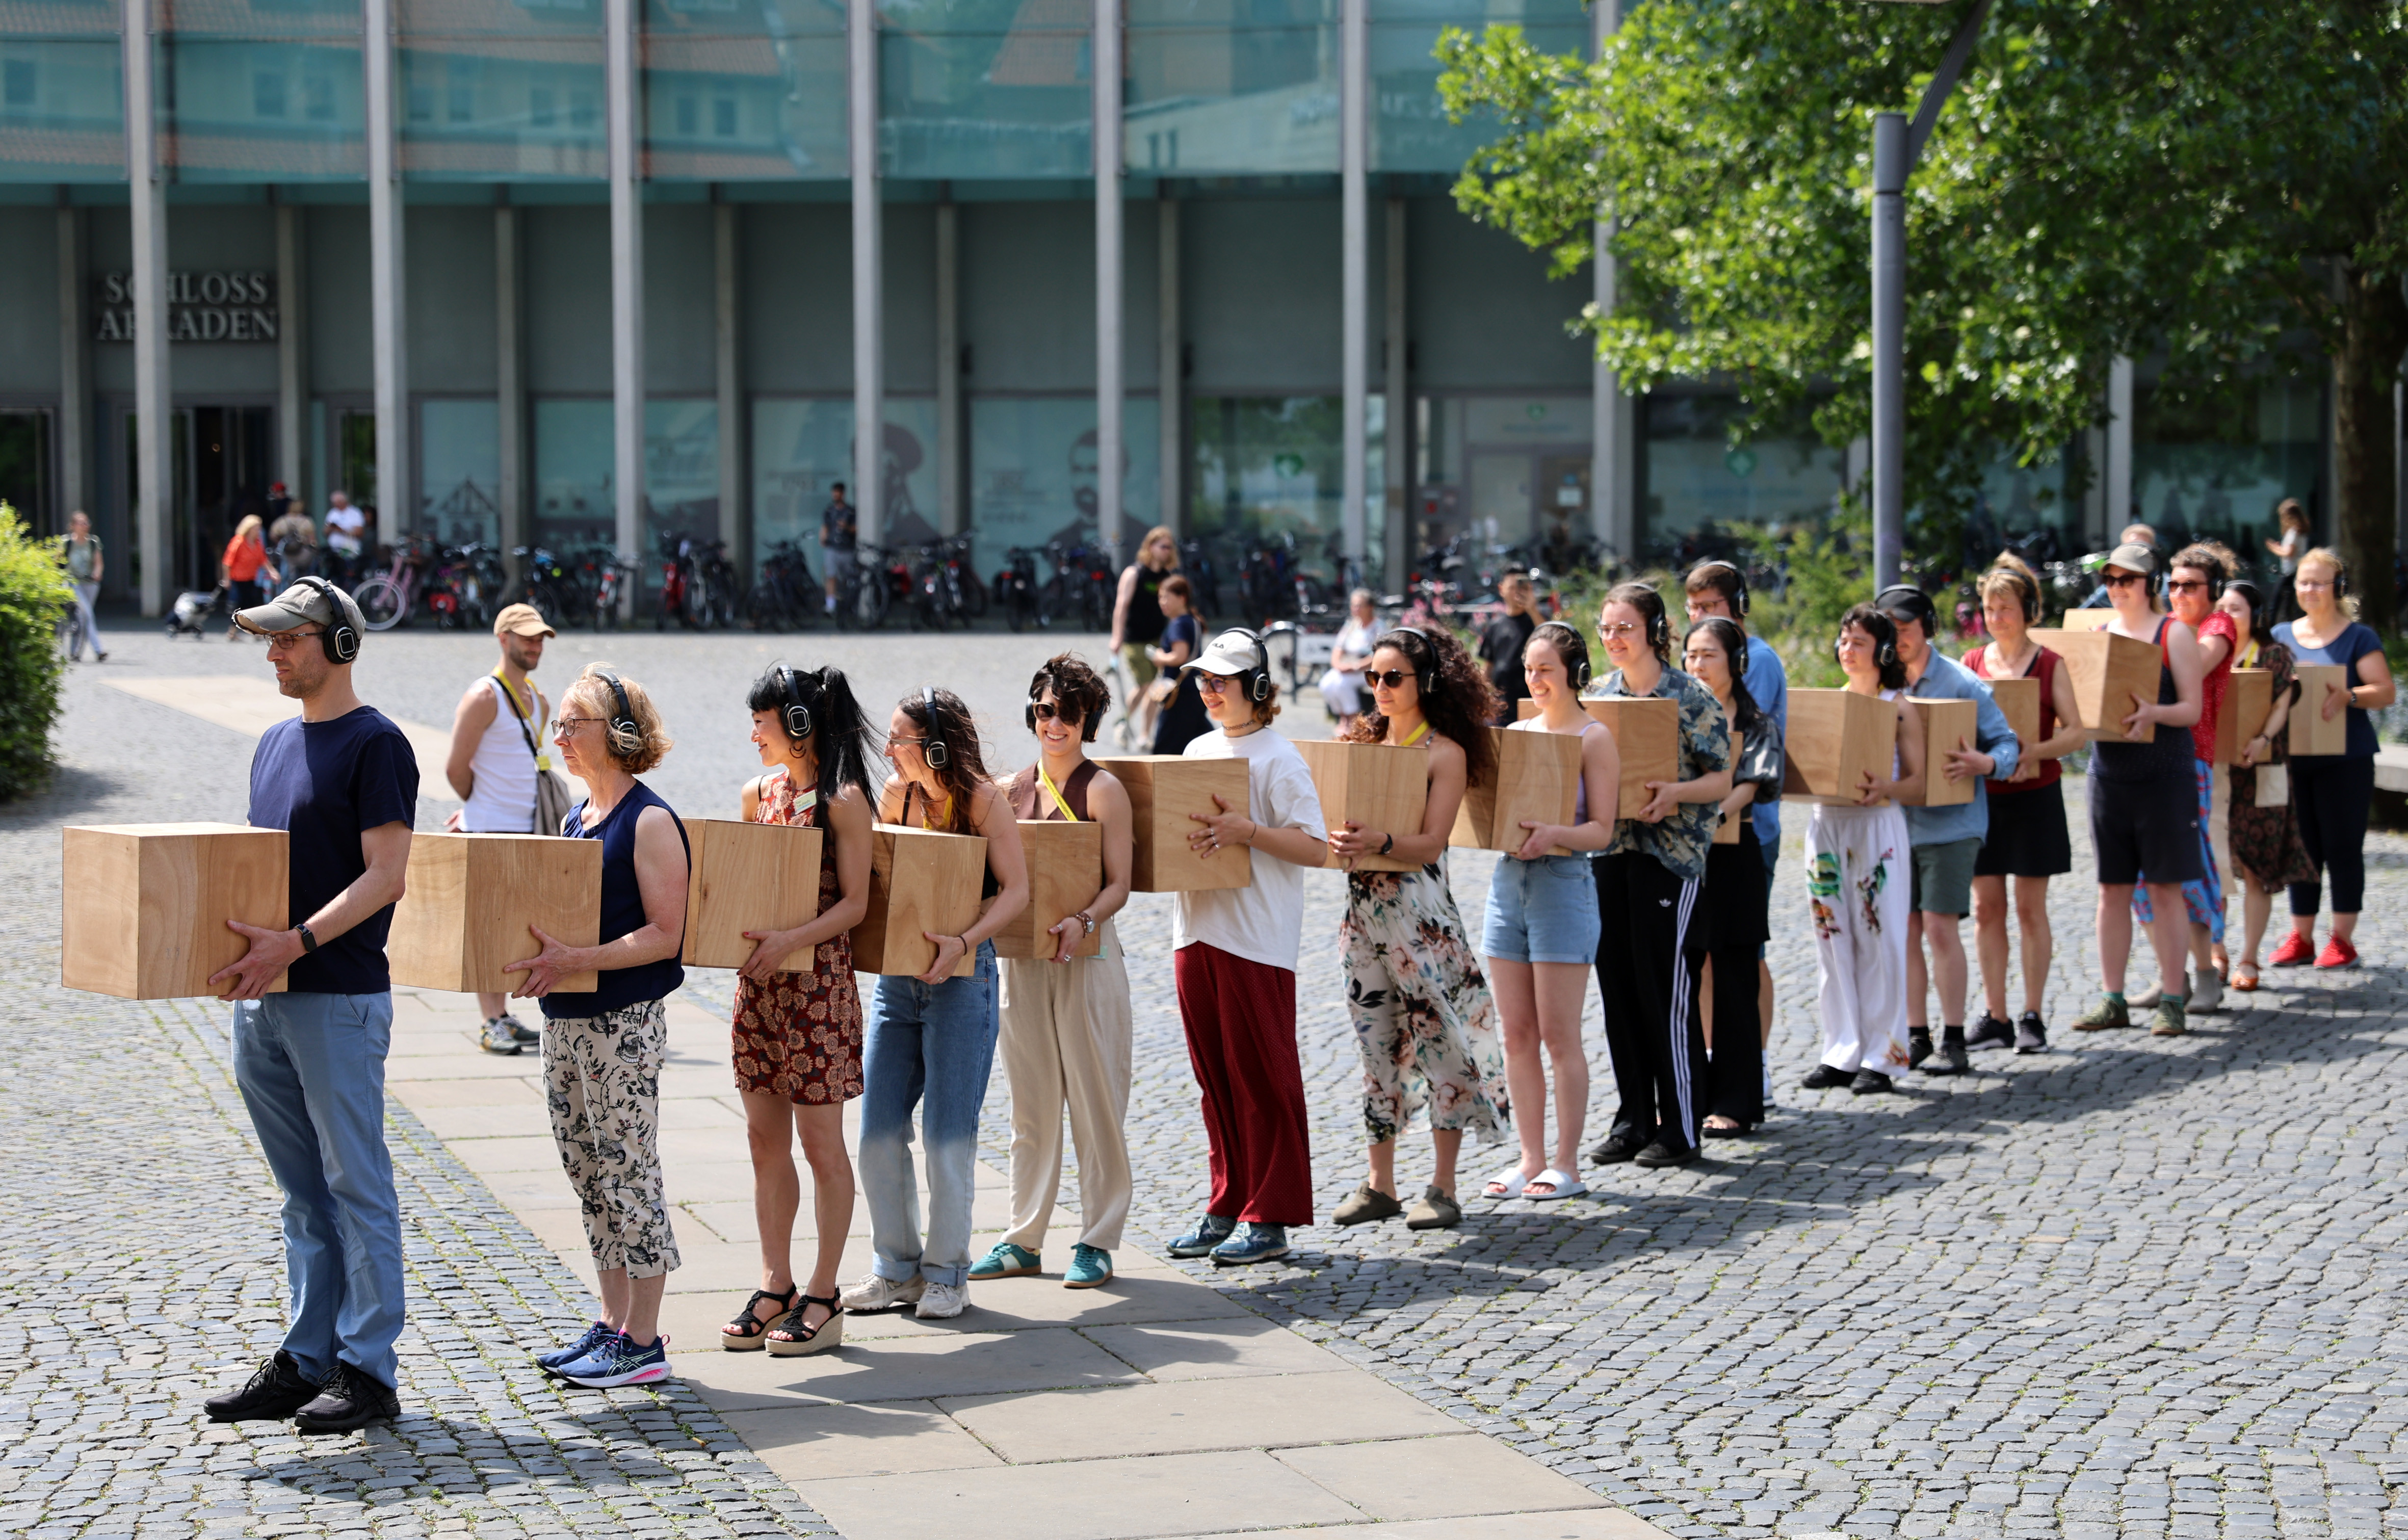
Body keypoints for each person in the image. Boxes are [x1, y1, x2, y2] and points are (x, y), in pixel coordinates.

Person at [202, 577, 416, 1434]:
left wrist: (295, 941)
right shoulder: (271, 743)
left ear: (341, 644)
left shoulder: (377, 744)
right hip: (264, 999)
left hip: (337, 997)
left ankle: (368, 1372)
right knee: (300, 1194)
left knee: (356, 1186)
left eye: (290, 638)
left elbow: (387, 876)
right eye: (271, 640)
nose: (275, 654)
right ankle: (305, 1359)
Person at [506, 665, 691, 1389]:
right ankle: (613, 1322)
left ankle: (643, 1341)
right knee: (587, 1172)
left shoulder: (649, 820)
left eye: (571, 724)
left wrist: (578, 959)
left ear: (617, 733)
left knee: (629, 1172)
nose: (559, 736)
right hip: (566, 1021)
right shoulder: (575, 817)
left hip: (623, 1024)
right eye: (557, 724)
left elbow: (667, 934)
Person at [842, 687, 1030, 1319]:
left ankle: (948, 1273)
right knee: (876, 1133)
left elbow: (1016, 891)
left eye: (900, 740)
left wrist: (965, 942)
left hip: (965, 981)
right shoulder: (895, 797)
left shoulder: (984, 801)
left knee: (948, 1139)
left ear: (938, 745)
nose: (889, 751)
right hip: (898, 983)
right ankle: (896, 1271)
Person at [719, 665, 878, 1357]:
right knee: (763, 1140)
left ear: (800, 726)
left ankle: (823, 1292)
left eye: (762, 722)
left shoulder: (844, 801)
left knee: (820, 1144)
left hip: (817, 989)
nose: (753, 734)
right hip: (761, 987)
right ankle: (774, 1282)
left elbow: (855, 904)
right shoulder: (757, 794)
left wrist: (791, 939)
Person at [1325, 626, 1506, 1230]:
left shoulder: (1443, 753)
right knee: (1374, 1045)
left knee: (1438, 1043)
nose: (1379, 687)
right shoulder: (1361, 743)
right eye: (1371, 677)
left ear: (1424, 682)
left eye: (1391, 677)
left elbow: (1431, 843)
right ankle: (1379, 1184)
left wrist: (1379, 841)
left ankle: (1443, 1186)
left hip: (1421, 920)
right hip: (1362, 916)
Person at [1165, 628, 1330, 1265]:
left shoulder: (1281, 757)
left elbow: (1314, 847)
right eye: (1203, 681)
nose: (1208, 691)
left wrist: (1250, 832)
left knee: (1262, 1078)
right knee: (1214, 1081)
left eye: (1220, 681)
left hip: (1256, 938)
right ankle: (1227, 1202)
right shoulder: (1197, 748)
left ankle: (1271, 1216)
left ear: (1256, 688)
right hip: (1194, 929)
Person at [972, 656, 1138, 1289]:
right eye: (1045, 710)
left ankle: (1097, 1238)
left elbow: (1119, 884)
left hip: (1088, 956)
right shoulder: (1010, 790)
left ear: (1087, 718)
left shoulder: (1103, 790)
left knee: (1096, 1100)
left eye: (1068, 712)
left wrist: (1083, 920)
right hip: (1023, 959)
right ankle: (1023, 1238)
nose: (1055, 723)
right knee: (1031, 1102)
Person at [1583, 583, 1732, 1167]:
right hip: (1608, 854)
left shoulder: (1689, 695)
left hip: (1669, 858)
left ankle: (1681, 1126)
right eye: (1606, 628)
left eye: (1624, 627)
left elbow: (1720, 778)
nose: (1613, 638)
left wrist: (1674, 793)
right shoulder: (1596, 695)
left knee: (1664, 992)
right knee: (1617, 989)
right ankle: (1633, 1120)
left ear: (1654, 631)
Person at [1480, 622, 1618, 1198]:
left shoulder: (1594, 737)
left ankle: (1567, 1164)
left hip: (1563, 885)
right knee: (1516, 1035)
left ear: (1575, 674)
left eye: (1545, 670)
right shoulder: (1518, 732)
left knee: (1560, 1036)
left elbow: (1602, 831)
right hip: (1508, 883)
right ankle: (1529, 1157)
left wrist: (1553, 834)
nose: (1534, 679)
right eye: (1529, 670)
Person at [1876, 583, 2020, 1076]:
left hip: (1951, 826)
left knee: (1940, 927)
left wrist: (1985, 762)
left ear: (1929, 629)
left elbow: (2007, 744)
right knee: (1906, 930)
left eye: (1905, 630)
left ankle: (1954, 1039)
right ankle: (1916, 1036)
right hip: (1897, 824)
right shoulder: (1881, 684)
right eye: (1889, 631)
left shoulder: (1961, 682)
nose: (1897, 640)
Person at [2070, 542, 2205, 1037]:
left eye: (2126, 579)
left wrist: (2153, 713)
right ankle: (2113, 998)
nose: (2116, 588)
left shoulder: (2174, 634)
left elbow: (2191, 709)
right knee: (2111, 891)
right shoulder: (2098, 634)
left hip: (2164, 777)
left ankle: (2172, 997)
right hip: (2108, 776)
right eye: (2109, 580)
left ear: (2150, 583)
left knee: (2165, 889)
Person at [1800, 605, 1926, 1093]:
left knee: (1881, 939)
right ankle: (1842, 1050)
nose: (1847, 650)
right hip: (1826, 825)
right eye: (1844, 640)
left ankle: (1885, 1054)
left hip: (1876, 826)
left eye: (1859, 642)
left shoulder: (1898, 705)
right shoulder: (1831, 704)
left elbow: (1919, 782)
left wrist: (1887, 787)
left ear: (1884, 652)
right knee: (1831, 937)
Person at [1963, 556, 2084, 1054]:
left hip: (2035, 797)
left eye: (2005, 608)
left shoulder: (2050, 663)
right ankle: (1996, 1015)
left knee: (2030, 909)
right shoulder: (1971, 662)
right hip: (1984, 799)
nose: (1996, 617)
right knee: (1985, 909)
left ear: (2027, 610)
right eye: (1989, 608)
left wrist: (2033, 751)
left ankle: (2032, 1015)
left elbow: (2076, 733)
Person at [1682, 560, 1786, 1088]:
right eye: (1693, 609)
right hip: (1690, 848)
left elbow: (1754, 773)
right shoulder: (1680, 709)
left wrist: (1711, 809)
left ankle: (1752, 1068)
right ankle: (1704, 1065)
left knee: (1741, 959)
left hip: (1745, 836)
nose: (1698, 662)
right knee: (1698, 961)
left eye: (1711, 607)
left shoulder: (1756, 671)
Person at [2269, 548, 2396, 969]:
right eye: (2303, 582)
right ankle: (2301, 937)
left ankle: (2342, 941)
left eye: (2319, 582)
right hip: (2293, 758)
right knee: (2301, 849)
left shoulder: (2359, 637)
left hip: (2346, 760)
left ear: (2338, 588)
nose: (2310, 590)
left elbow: (2385, 690)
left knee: (2342, 848)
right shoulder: (2281, 634)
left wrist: (2349, 696)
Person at [2129, 543, 2242, 1012]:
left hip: (2191, 760)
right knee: (2141, 876)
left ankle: (2205, 972)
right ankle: (2171, 974)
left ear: (2214, 590)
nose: (2178, 593)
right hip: (2142, 758)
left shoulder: (2219, 625)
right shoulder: (2163, 626)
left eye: (2190, 586)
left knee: (2185, 871)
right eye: (2172, 585)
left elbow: (2193, 663)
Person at [442, 603, 559, 1055]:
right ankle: (490, 1019)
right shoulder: (484, 696)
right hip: (490, 830)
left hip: (530, 828)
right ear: (503, 638)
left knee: (516, 927)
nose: (535, 645)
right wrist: (477, 806)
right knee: (488, 928)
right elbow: (456, 767)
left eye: (540, 638)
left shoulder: (539, 700)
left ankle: (504, 1013)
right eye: (527, 637)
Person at [2220, 581, 2316, 991]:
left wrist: (2261, 738)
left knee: (2258, 866)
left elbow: (2281, 705)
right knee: (2216, 862)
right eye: (2222, 608)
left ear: (2255, 615)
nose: (2227, 615)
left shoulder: (2274, 654)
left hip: (2263, 767)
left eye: (2236, 608)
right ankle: (2216, 952)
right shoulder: (2210, 651)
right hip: (2220, 770)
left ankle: (2249, 957)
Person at [1110, 526, 1180, 739]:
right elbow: (1121, 607)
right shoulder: (1134, 573)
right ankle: (1123, 722)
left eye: (1170, 547)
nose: (1167, 551)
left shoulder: (1167, 576)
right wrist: (1117, 638)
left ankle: (1144, 734)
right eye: (1163, 547)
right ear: (1151, 547)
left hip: (1158, 639)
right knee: (1146, 684)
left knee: (1155, 688)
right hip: (1135, 640)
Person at [1149, 575, 1213, 754]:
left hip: (1180, 696)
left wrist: (1160, 657)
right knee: (1203, 742)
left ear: (1182, 598)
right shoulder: (1191, 620)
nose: (1162, 602)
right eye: (1160, 597)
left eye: (1166, 597)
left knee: (1164, 751)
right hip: (1192, 691)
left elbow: (1180, 656)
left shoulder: (1179, 623)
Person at [1477, 573, 1540, 724]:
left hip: (1530, 704)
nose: (1517, 593)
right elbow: (1489, 666)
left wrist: (1532, 609)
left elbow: (1549, 637)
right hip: (1501, 707)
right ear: (1502, 589)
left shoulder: (1536, 621)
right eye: (1512, 588)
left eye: (1522, 588)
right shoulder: (1496, 625)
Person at [1321, 588, 1381, 729]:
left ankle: (1354, 721)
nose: (1356, 609)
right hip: (1347, 666)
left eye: (1359, 606)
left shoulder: (1379, 627)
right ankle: (1342, 717)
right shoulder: (1351, 624)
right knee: (1326, 684)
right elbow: (1339, 647)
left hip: (1366, 670)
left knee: (1342, 684)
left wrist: (1355, 667)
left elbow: (1377, 655)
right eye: (1354, 605)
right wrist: (1337, 664)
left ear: (1370, 607)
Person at [2078, 522, 2160, 608]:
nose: (2117, 587)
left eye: (2128, 580)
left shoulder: (2168, 586)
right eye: (2110, 579)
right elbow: (2081, 612)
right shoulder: (2109, 590)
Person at [59, 509, 106, 662]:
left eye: (87, 522)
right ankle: (98, 650)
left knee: (83, 618)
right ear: (73, 526)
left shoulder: (93, 542)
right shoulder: (66, 542)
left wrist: (97, 573)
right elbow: (56, 562)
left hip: (90, 584)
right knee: (87, 615)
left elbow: (99, 563)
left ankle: (75, 652)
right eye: (81, 523)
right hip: (73, 583)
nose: (85, 525)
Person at [222, 513, 282, 628]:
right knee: (238, 605)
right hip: (238, 579)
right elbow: (227, 562)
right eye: (256, 528)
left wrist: (273, 572)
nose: (259, 531)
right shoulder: (238, 541)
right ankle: (233, 630)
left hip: (251, 578)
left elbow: (263, 560)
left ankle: (252, 630)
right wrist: (226, 579)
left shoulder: (257, 543)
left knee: (251, 604)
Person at [2265, 499, 2309, 622]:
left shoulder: (2294, 532)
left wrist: (2274, 549)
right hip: (2294, 571)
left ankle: (2271, 625)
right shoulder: (2300, 531)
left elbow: (2289, 553)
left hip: (2290, 572)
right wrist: (2279, 548)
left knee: (2275, 603)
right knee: (2289, 604)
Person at [819, 482, 856, 613]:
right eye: (834, 493)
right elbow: (825, 526)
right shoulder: (829, 511)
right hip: (832, 548)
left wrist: (846, 527)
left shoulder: (850, 511)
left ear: (843, 494)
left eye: (838, 493)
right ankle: (830, 605)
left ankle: (848, 603)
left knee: (848, 578)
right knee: (831, 576)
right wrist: (822, 537)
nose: (835, 495)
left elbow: (856, 529)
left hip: (847, 548)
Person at [270, 498, 319, 590]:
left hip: (287, 555)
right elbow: (312, 540)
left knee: (286, 576)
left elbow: (273, 535)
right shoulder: (306, 521)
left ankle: (285, 592)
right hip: (303, 556)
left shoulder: (282, 520)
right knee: (307, 574)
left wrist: (280, 542)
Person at [323, 492, 365, 586]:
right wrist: (331, 528)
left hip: (349, 551)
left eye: (338, 502)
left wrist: (341, 530)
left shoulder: (355, 513)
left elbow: (360, 533)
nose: (336, 505)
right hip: (334, 552)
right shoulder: (332, 513)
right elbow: (325, 532)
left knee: (348, 577)